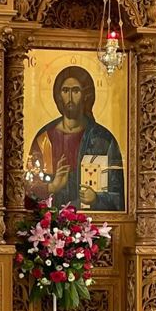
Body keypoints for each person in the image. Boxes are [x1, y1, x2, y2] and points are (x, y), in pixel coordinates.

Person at [26, 66, 124, 211]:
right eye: (65, 91)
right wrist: (52, 187)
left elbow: (120, 196)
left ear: (86, 95)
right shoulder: (44, 138)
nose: (70, 98)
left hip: (95, 225)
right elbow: (27, 190)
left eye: (76, 91)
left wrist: (97, 198)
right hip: (50, 225)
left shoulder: (103, 139)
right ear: (58, 95)